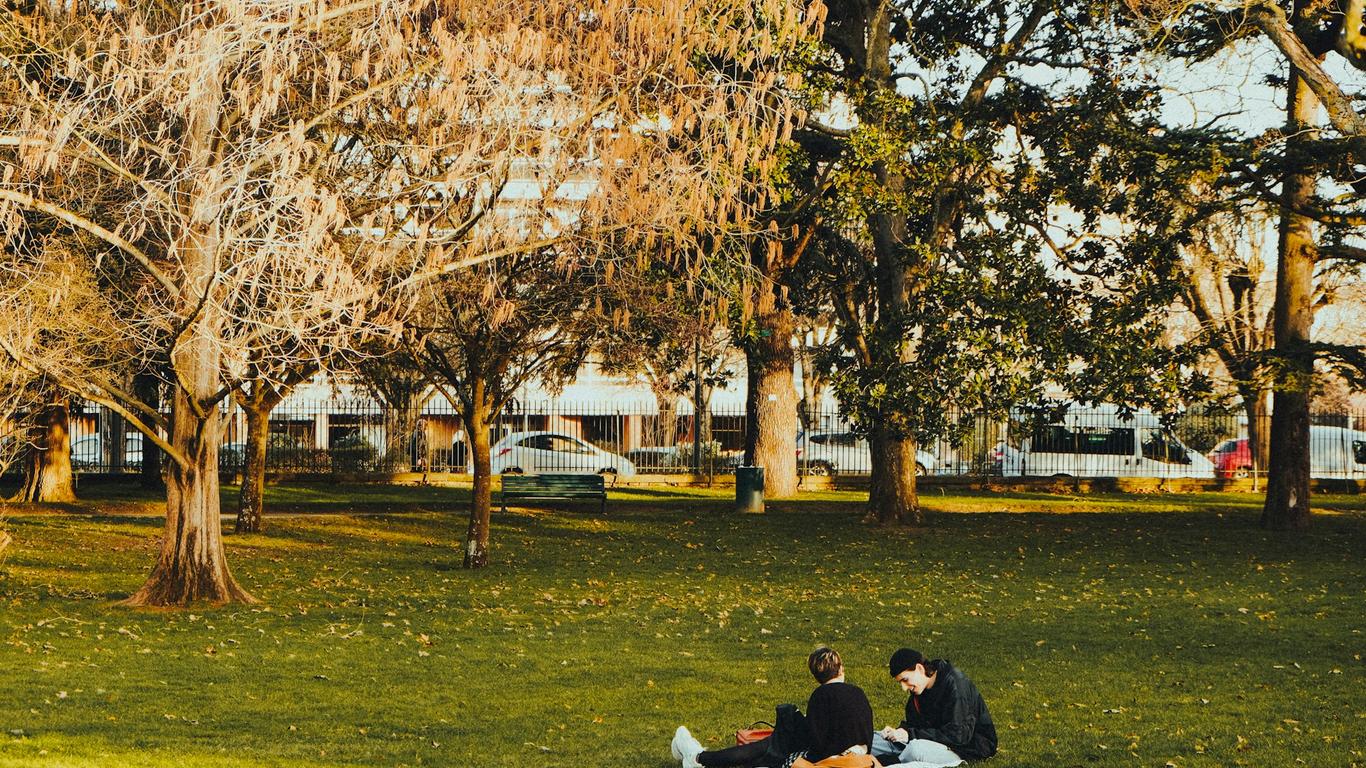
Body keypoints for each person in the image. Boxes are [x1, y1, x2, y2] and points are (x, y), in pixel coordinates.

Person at [671, 646, 874, 768]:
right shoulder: (858, 693)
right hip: (860, 758)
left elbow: (817, 739)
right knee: (767, 747)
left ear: (816, 675)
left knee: (769, 749)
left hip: (829, 760)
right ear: (841, 668)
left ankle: (699, 758)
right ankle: (699, 757)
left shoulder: (820, 696)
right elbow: (867, 733)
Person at [871, 648, 997, 768]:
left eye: (905, 680)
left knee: (915, 749)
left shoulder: (956, 684)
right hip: (929, 742)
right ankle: (861, 753)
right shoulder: (920, 688)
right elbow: (916, 725)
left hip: (965, 749)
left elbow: (959, 736)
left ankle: (886, 762)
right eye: (900, 682)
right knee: (874, 739)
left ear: (919, 668)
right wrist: (899, 731)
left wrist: (910, 735)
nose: (904, 688)